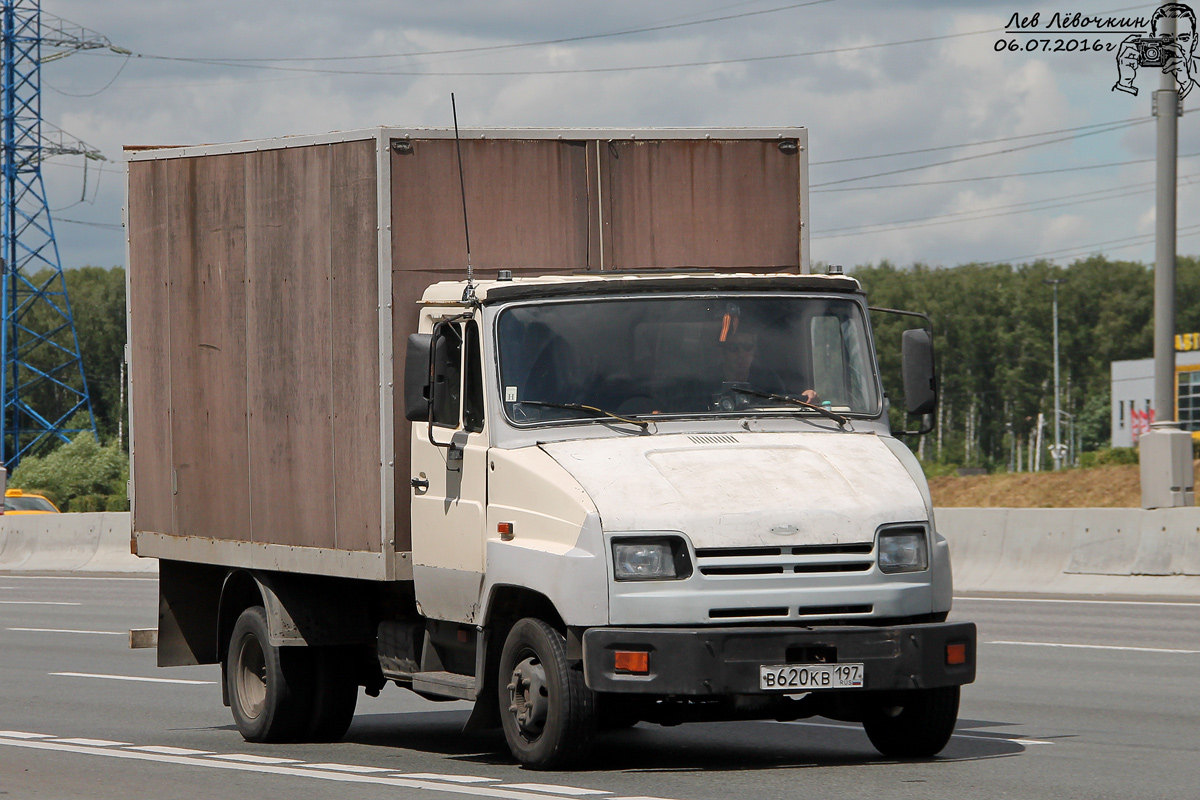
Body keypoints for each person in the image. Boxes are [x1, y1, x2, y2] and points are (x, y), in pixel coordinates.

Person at [1114, 3, 1197, 99]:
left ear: (1195, 42)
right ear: (1152, 40)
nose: (1175, 46)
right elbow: (1113, 110)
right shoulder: (1140, 70)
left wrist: (1186, 83)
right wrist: (1124, 82)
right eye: (1165, 39)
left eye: (1183, 38)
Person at [717, 330, 819, 404]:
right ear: (722, 352)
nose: (741, 353)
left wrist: (805, 397)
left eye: (748, 346)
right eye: (733, 348)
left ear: (754, 350)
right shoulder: (709, 382)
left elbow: (784, 403)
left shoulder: (768, 379)